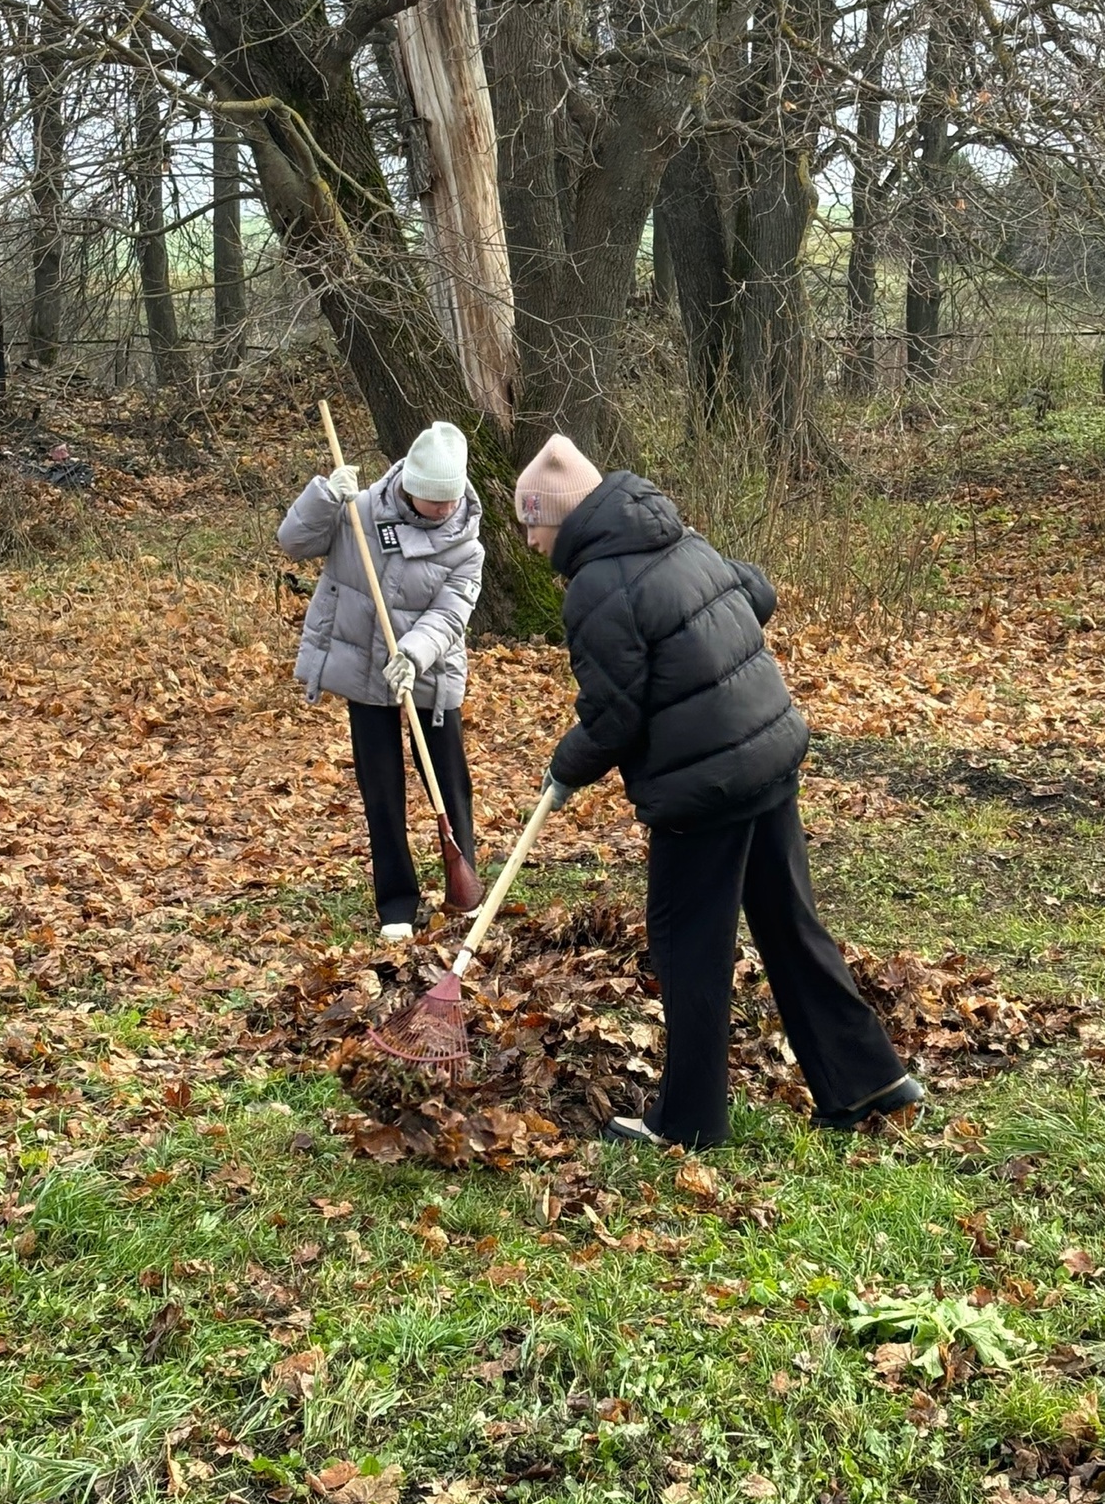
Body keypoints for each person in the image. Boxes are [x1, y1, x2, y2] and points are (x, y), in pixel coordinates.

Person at [514, 433, 922, 1148]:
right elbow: (756, 590)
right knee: (789, 923)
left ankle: (689, 1121)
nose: (528, 538)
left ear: (565, 515)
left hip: (702, 788)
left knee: (689, 951)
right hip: (766, 755)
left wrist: (565, 768)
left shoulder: (597, 587)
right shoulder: (679, 538)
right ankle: (867, 1079)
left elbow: (614, 716)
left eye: (531, 521)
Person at [279, 421, 483, 939]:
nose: (441, 509)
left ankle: (465, 884)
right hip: (366, 671)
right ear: (409, 483)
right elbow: (293, 542)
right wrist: (324, 497)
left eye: (449, 500)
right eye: (431, 499)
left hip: (430, 673)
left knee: (449, 784)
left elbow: (451, 611)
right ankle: (396, 901)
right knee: (381, 789)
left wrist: (413, 654)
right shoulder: (359, 508)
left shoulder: (467, 545)